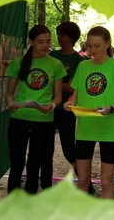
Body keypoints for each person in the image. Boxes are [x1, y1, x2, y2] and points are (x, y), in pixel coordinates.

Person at [64, 26, 114, 198]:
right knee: (83, 179)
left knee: (106, 181)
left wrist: (111, 109)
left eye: (97, 45)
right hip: (85, 130)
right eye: (89, 45)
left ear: (107, 44)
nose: (92, 50)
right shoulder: (83, 66)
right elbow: (75, 97)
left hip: (109, 131)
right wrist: (70, 104)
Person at [4, 24, 65, 194]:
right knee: (17, 163)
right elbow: (8, 93)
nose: (45, 45)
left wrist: (51, 106)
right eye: (40, 42)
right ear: (31, 42)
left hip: (43, 121)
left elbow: (58, 96)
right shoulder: (18, 63)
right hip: (19, 118)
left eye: (48, 41)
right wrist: (11, 103)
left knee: (35, 163)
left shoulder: (56, 64)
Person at [39, 21, 94, 193]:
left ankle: (86, 184)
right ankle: (46, 186)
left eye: (61, 34)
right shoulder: (52, 56)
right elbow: (44, 79)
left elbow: (72, 86)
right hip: (48, 108)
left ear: (70, 38)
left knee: (69, 149)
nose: (58, 37)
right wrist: (55, 84)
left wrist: (53, 83)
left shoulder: (79, 60)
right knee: (45, 149)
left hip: (66, 110)